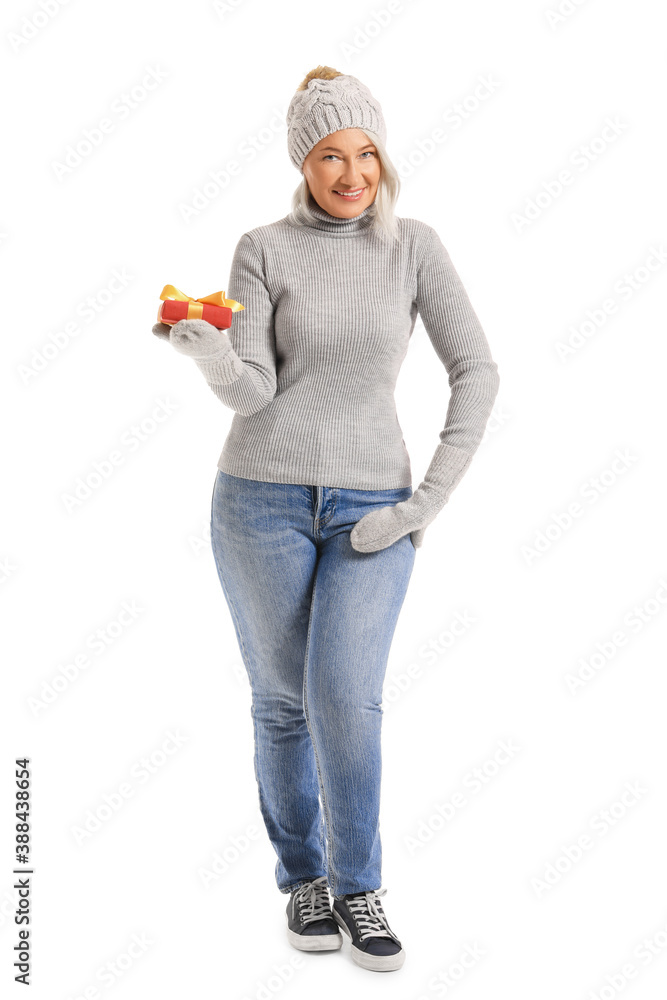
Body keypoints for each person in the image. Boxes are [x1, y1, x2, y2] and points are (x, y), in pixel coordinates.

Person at [153, 65, 500, 974]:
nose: (350, 173)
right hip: (258, 499)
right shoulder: (263, 247)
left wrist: (424, 504)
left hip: (372, 512)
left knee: (345, 700)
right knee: (281, 705)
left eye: (365, 153)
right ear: (302, 164)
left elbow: (479, 372)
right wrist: (209, 357)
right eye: (328, 156)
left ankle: (359, 887)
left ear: (384, 159)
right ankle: (302, 878)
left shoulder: (413, 246)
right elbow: (256, 387)